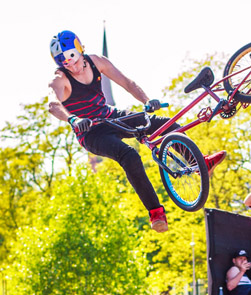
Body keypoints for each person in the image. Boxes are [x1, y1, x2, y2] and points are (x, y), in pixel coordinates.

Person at [47, 30, 225, 233]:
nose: (73, 67)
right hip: (91, 132)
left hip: (111, 116)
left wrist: (146, 101)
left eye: (74, 60)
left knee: (162, 124)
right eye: (66, 64)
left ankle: (199, 162)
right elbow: (53, 104)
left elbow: (127, 83)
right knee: (129, 155)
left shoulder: (97, 62)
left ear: (80, 51)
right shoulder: (60, 78)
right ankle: (156, 212)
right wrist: (74, 119)